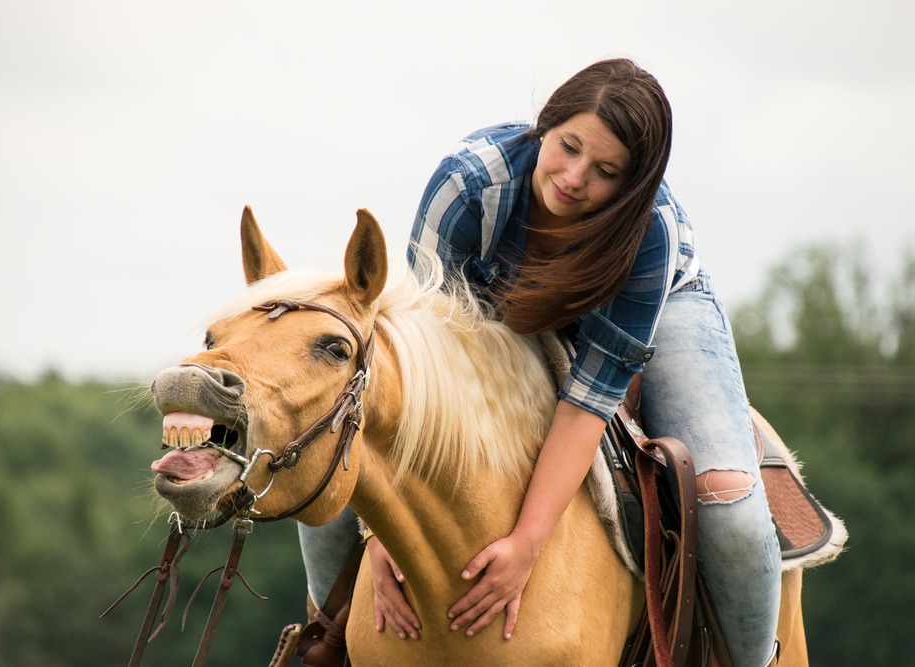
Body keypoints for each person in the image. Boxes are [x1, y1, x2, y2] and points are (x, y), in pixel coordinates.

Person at [299, 58, 782, 666]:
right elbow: (426, 384)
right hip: (490, 308)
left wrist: (527, 544)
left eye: (606, 171)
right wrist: (378, 534)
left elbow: (587, 403)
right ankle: (324, 638)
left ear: (633, 186)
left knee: (731, 509)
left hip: (656, 303)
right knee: (330, 428)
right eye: (568, 147)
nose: (575, 178)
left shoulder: (650, 233)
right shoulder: (467, 187)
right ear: (543, 128)